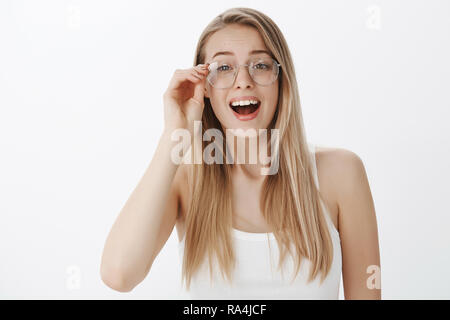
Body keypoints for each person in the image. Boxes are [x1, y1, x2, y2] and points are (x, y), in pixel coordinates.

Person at [100, 7, 381, 300]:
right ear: (204, 87)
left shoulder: (341, 173)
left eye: (260, 65)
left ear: (281, 77)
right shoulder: (185, 178)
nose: (243, 80)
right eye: (223, 68)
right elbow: (119, 274)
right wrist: (174, 135)